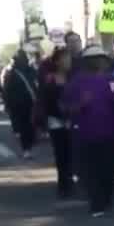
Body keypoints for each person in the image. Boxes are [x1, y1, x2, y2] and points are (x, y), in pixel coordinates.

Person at [63, 46, 114, 217]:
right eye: (93, 59)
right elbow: (65, 106)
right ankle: (97, 202)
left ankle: (105, 198)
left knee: (110, 168)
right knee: (89, 170)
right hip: (86, 135)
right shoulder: (77, 82)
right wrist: (80, 105)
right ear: (86, 62)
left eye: (101, 58)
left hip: (113, 134)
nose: (98, 62)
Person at [39, 47, 75, 199]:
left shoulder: (73, 78)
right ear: (57, 61)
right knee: (61, 154)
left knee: (71, 152)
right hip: (56, 121)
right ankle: (63, 184)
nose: (68, 61)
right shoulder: (50, 79)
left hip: (72, 120)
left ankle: (70, 179)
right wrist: (61, 116)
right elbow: (47, 102)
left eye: (69, 58)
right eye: (65, 58)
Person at [3, 51, 39, 159]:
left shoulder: (30, 70)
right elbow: (8, 90)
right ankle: (26, 149)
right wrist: (8, 104)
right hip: (20, 105)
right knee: (25, 127)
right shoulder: (13, 73)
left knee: (30, 126)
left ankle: (28, 147)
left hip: (29, 103)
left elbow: (37, 84)